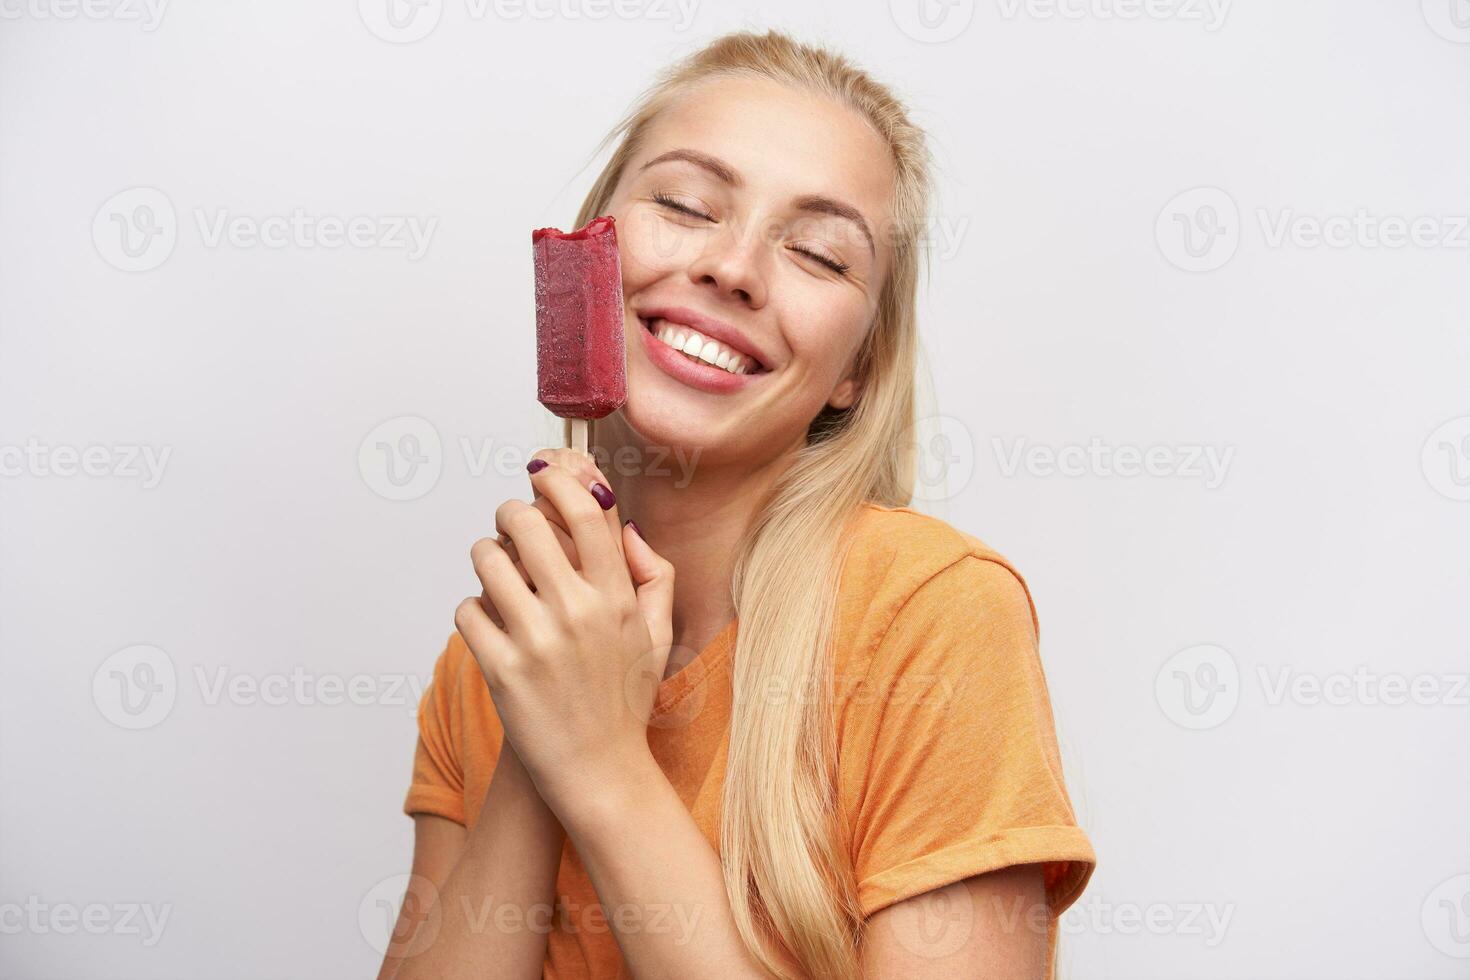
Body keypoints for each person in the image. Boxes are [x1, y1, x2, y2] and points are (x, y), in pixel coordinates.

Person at [377, 28, 1096, 980]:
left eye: (818, 253)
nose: (734, 267)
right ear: (590, 257)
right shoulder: (493, 659)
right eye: (685, 204)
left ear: (859, 369)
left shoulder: (933, 615)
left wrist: (600, 764)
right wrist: (538, 734)